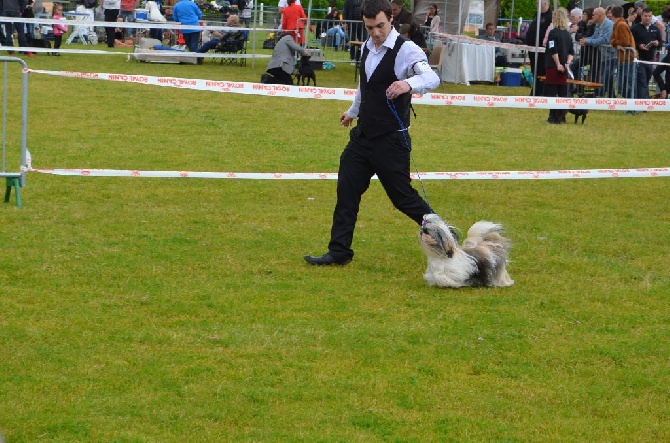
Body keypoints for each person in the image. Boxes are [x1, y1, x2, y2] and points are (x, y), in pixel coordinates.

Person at [304, 0, 440, 266]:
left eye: (380, 25)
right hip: (363, 136)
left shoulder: (406, 49)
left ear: (391, 18)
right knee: (347, 190)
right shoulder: (367, 46)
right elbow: (363, 85)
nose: (376, 33)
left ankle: (446, 236)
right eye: (370, 28)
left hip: (391, 139)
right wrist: (353, 112)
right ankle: (339, 251)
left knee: (403, 198)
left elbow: (432, 78)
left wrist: (407, 83)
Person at [544, 8, 574, 124]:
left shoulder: (553, 33)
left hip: (553, 66)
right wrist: (567, 63)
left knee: (552, 92)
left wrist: (558, 64)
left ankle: (553, 116)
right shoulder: (567, 34)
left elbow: (553, 50)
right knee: (562, 92)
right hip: (564, 67)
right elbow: (571, 52)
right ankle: (561, 116)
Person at [579, 7, 613, 97]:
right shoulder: (598, 24)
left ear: (600, 15)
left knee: (605, 77)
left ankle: (599, 97)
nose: (592, 16)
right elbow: (595, 37)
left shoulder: (609, 24)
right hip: (603, 55)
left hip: (612, 55)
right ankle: (611, 96)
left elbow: (604, 40)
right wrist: (585, 40)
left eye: (594, 14)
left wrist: (587, 41)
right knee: (606, 77)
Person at [631, 8, 661, 100]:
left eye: (649, 16)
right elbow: (630, 42)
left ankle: (644, 100)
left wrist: (657, 43)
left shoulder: (655, 29)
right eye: (645, 16)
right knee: (642, 81)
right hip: (639, 59)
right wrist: (639, 45)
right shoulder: (635, 28)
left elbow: (660, 43)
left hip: (650, 59)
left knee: (646, 80)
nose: (647, 18)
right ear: (641, 16)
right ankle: (642, 102)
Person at [525, 0, 552, 95]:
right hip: (532, 48)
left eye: (538, 3)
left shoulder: (550, 16)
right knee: (534, 71)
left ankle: (540, 92)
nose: (536, 5)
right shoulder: (537, 14)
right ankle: (535, 91)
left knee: (541, 72)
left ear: (545, 4)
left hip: (542, 51)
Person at [610, 5, 636, 100]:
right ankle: (628, 104)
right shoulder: (618, 24)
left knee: (627, 85)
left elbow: (625, 42)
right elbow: (612, 39)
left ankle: (631, 106)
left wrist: (615, 42)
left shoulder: (621, 25)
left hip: (628, 58)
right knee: (621, 85)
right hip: (622, 58)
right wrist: (616, 43)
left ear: (612, 14)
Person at [652, 6, 670, 99]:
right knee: (666, 76)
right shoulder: (667, 25)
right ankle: (665, 92)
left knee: (657, 72)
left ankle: (664, 92)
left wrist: (664, 44)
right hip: (668, 53)